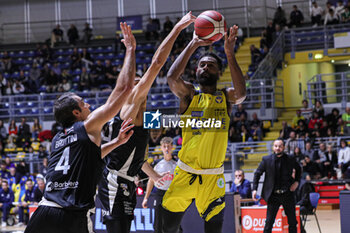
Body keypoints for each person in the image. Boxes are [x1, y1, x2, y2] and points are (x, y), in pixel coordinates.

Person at [24, 22, 136, 233]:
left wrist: (116, 142)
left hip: (45, 210)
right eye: (84, 103)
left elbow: (87, 157)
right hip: (72, 214)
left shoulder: (58, 138)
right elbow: (125, 89)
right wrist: (130, 50)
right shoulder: (88, 126)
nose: (89, 105)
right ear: (76, 113)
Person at [97, 13, 195, 233]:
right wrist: (178, 28)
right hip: (115, 180)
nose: (144, 85)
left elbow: (138, 157)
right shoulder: (132, 102)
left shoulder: (141, 114)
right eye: (139, 82)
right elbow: (157, 63)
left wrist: (156, 177)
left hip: (128, 180)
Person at [161, 24, 246, 233]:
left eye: (210, 65)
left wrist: (229, 52)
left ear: (219, 72)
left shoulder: (225, 97)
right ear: (196, 70)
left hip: (212, 177)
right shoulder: (190, 94)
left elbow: (242, 94)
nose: (205, 68)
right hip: (184, 173)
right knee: (167, 228)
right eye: (202, 65)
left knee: (214, 228)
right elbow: (172, 78)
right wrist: (193, 44)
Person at [252, 139, 301, 233]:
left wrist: (296, 182)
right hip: (273, 196)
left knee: (292, 222)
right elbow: (257, 174)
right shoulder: (266, 159)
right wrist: (254, 189)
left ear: (284, 147)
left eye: (280, 146)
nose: (277, 148)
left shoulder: (290, 159)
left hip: (287, 194)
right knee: (269, 223)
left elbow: (298, 169)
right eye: (276, 146)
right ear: (273, 147)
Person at [142, 137, 178, 233]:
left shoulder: (177, 163)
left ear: (172, 147)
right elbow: (151, 180)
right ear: (161, 148)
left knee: (173, 223)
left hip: (172, 194)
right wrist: (146, 198)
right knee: (158, 224)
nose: (166, 149)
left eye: (168, 146)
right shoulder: (157, 163)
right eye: (164, 146)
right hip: (159, 194)